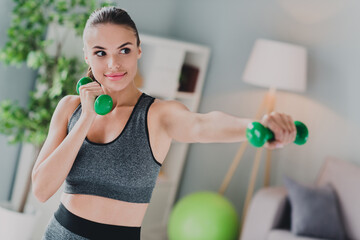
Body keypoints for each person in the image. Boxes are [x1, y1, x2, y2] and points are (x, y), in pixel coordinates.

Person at [31, 6, 297, 240]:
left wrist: (257, 127)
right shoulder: (70, 107)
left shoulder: (158, 114)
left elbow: (203, 125)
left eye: (124, 50)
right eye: (100, 53)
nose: (113, 64)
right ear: (87, 57)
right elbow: (42, 190)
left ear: (138, 51)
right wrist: (86, 118)